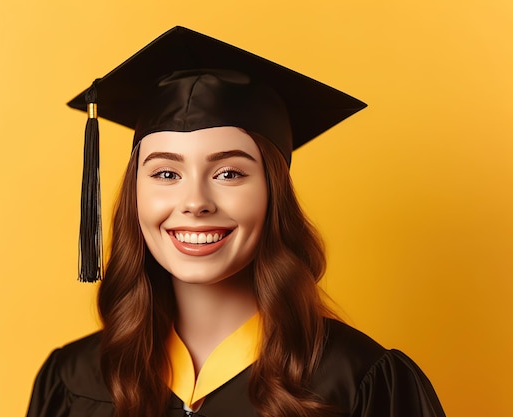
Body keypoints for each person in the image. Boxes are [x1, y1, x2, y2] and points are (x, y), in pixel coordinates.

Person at [26, 27, 446, 417]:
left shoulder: (358, 382)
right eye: (166, 174)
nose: (195, 202)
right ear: (135, 195)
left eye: (229, 173)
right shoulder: (73, 382)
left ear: (273, 195)